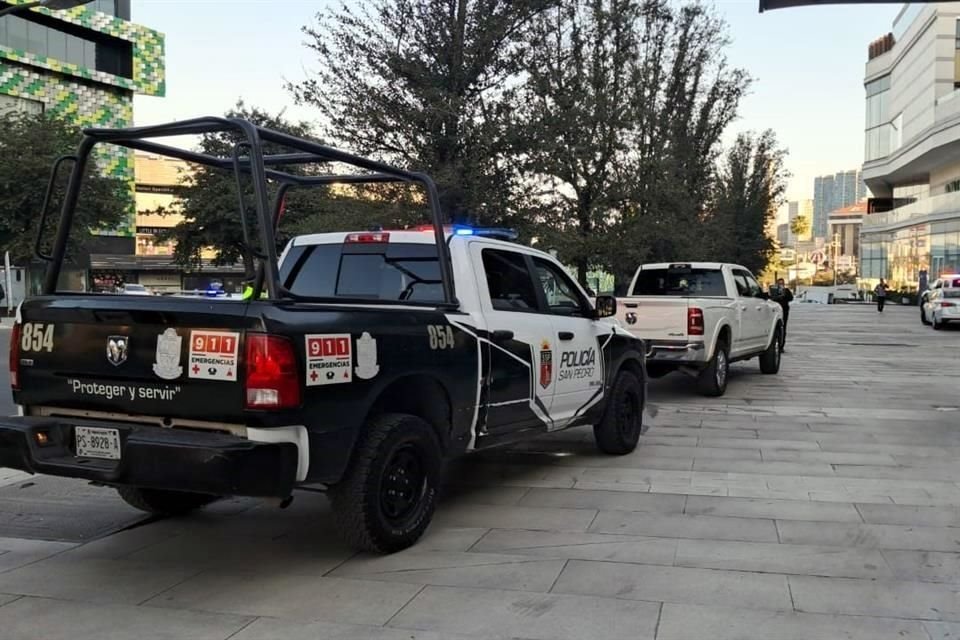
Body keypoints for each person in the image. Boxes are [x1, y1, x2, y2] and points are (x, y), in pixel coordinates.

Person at [770, 278, 793, 350]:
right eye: (779, 283)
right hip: (776, 311)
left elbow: (791, 298)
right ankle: (775, 345)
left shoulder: (786, 291)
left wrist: (784, 296)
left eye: (782, 283)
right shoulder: (774, 290)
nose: (781, 285)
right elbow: (771, 298)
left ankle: (781, 345)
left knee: (783, 328)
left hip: (784, 311)